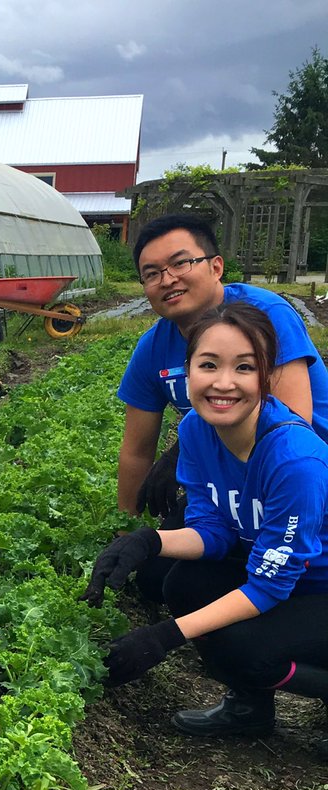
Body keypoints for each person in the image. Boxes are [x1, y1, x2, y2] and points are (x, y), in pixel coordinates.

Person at [83, 302, 328, 740]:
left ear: (267, 377)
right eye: (209, 364)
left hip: (319, 588)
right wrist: (148, 542)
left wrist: (165, 636)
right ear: (188, 371)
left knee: (241, 650)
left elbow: (270, 584)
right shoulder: (197, 428)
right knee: (184, 584)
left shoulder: (295, 459)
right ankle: (250, 708)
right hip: (286, 579)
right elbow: (214, 530)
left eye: (245, 367)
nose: (224, 383)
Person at [117, 214, 328, 521]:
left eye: (180, 263)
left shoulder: (265, 316)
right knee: (155, 564)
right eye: (151, 274)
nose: (167, 279)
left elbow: (291, 424)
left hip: (306, 475)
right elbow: (136, 451)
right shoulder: (153, 348)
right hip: (231, 480)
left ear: (216, 267)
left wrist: (180, 453)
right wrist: (125, 527)